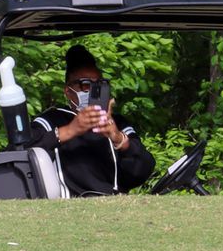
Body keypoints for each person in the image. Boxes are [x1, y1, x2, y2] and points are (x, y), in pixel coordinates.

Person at [24, 44, 156, 196]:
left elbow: (143, 169)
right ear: (68, 91)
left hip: (116, 206)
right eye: (85, 85)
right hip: (72, 207)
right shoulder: (50, 120)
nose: (92, 90)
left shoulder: (117, 122)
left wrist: (120, 140)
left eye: (97, 84)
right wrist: (69, 131)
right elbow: (19, 152)